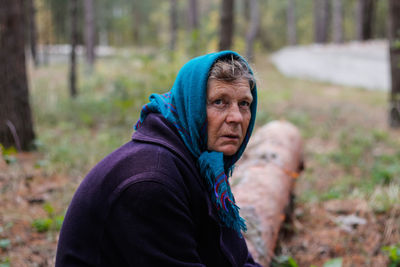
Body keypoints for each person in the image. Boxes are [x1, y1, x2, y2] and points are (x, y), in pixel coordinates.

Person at [56, 51, 262, 267]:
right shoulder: (152, 182)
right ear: (192, 106)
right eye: (219, 102)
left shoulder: (203, 163)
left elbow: (235, 259)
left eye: (244, 104)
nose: (236, 117)